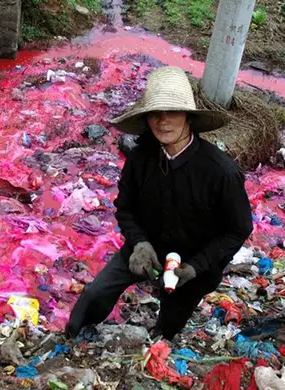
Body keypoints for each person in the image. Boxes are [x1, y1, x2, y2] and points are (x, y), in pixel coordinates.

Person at [65, 66, 253, 340]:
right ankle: (72, 336)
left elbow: (238, 229)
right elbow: (125, 207)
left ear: (188, 117)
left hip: (192, 263)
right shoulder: (141, 157)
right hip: (145, 248)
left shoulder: (220, 171)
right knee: (96, 292)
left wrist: (195, 266)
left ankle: (162, 336)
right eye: (155, 113)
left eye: (172, 112)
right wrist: (139, 243)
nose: (162, 121)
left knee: (173, 314)